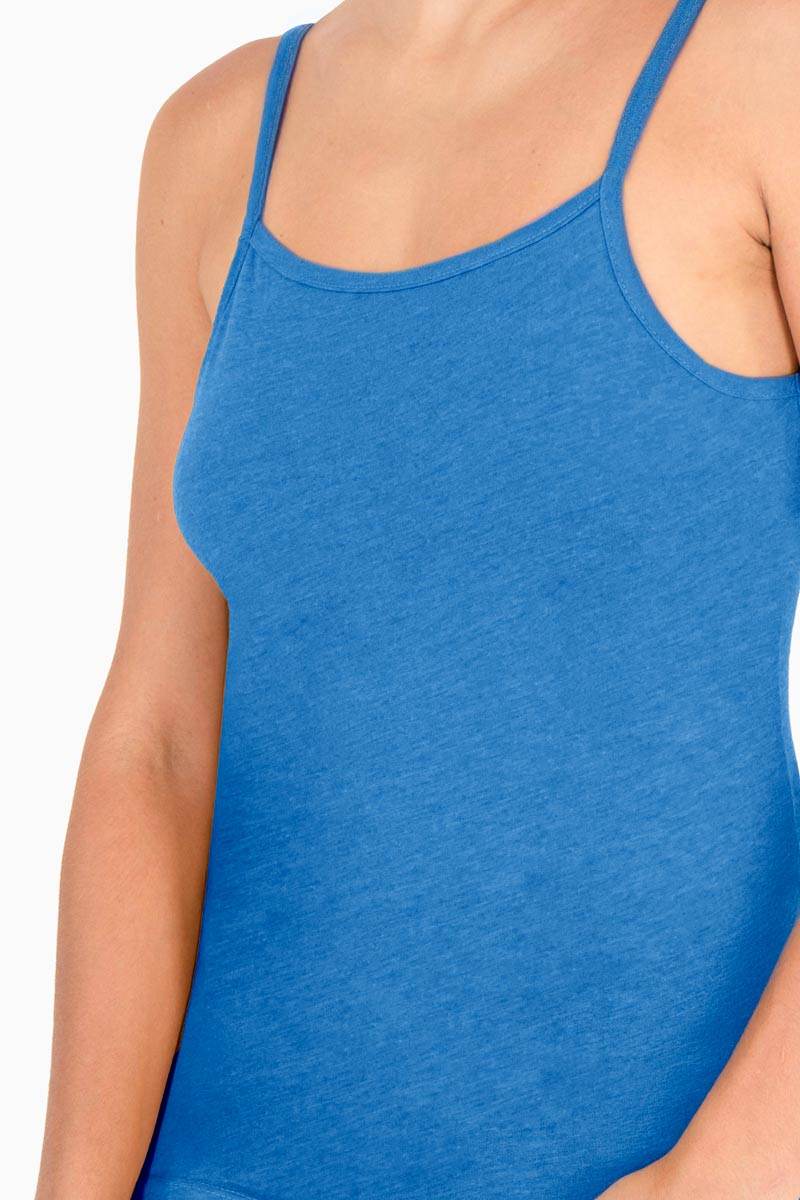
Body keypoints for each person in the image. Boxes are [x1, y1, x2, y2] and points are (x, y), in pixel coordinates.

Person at [35, 0, 800, 1197]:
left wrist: (717, 1179)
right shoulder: (213, 139)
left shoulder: (758, 68)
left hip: (641, 1162)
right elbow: (160, 743)